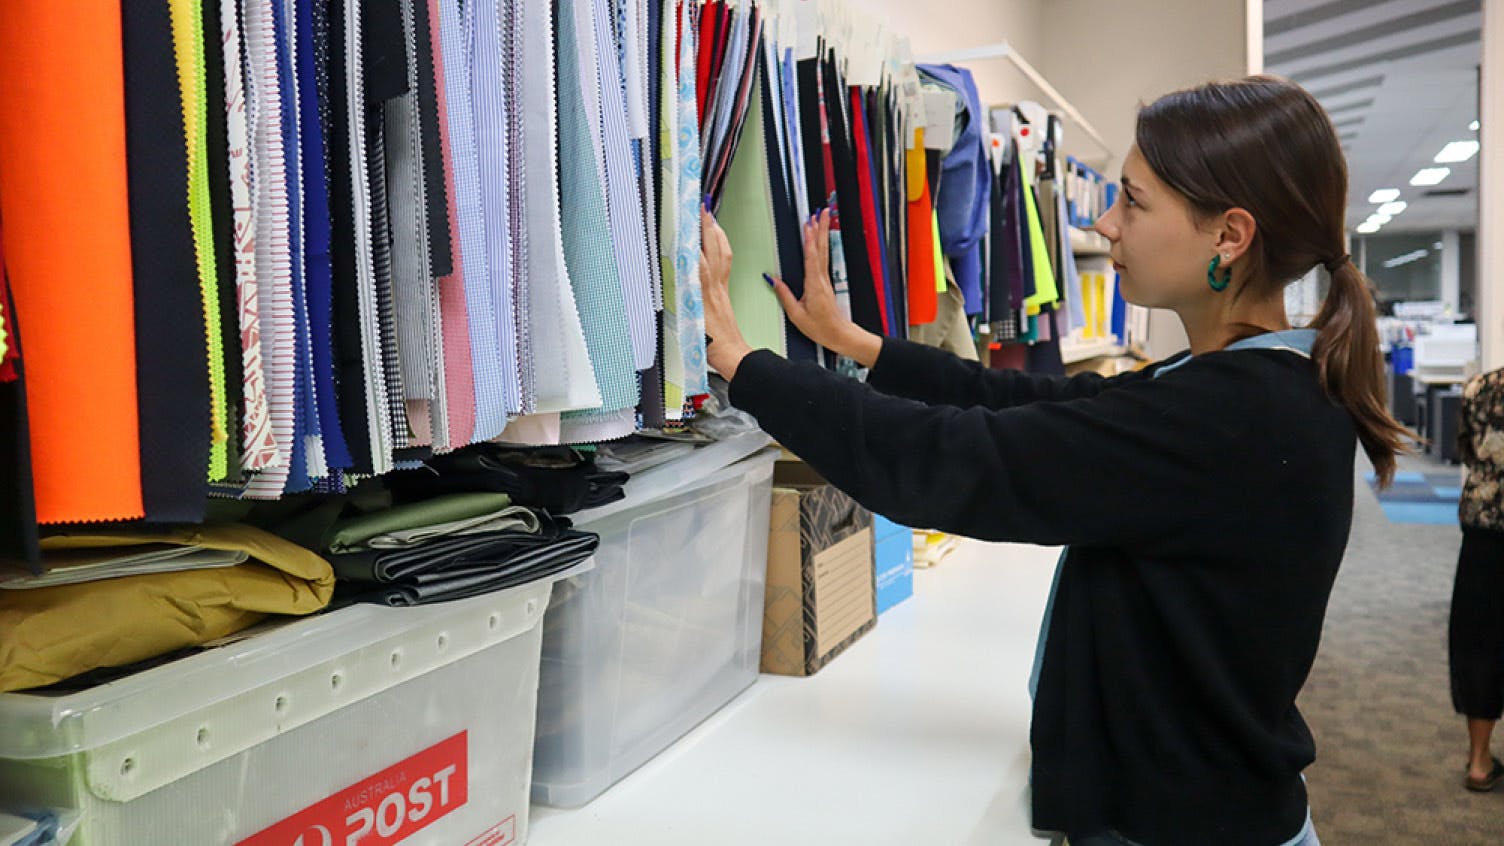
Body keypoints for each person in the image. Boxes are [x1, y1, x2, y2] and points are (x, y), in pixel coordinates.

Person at [696, 75, 1409, 845]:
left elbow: (956, 461)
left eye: (1133, 202)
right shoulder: (1256, 384)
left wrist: (744, 364)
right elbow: (1029, 407)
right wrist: (859, 344)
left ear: (1228, 237)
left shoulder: (1235, 414)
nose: (1105, 222)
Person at [1450, 366, 1504, 792]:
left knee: (1479, 639)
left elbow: (1467, 452)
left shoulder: (1479, 388)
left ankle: (1479, 761)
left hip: (1486, 526)